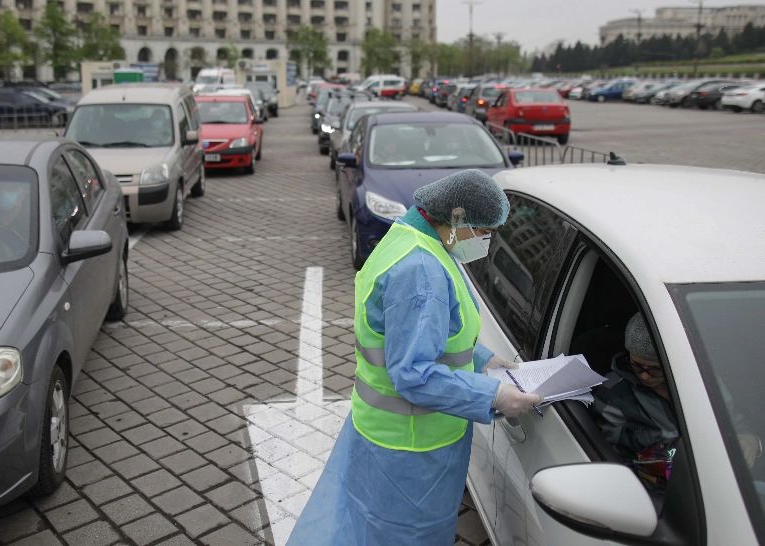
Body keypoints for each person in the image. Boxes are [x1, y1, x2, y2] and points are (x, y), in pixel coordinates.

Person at [288, 169, 541, 546]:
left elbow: (421, 332)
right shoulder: (421, 272)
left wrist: (481, 358)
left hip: (389, 435)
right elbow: (414, 373)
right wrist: (494, 395)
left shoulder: (411, 238)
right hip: (411, 449)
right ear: (457, 217)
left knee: (369, 527)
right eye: (483, 231)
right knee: (407, 536)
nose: (486, 241)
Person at [593, 312, 761, 487]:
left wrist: (751, 440)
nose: (645, 376)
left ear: (673, 360)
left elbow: (734, 421)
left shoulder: (704, 380)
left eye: (655, 369)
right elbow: (609, 459)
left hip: (721, 480)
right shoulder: (612, 395)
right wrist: (646, 473)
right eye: (637, 365)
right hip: (657, 493)